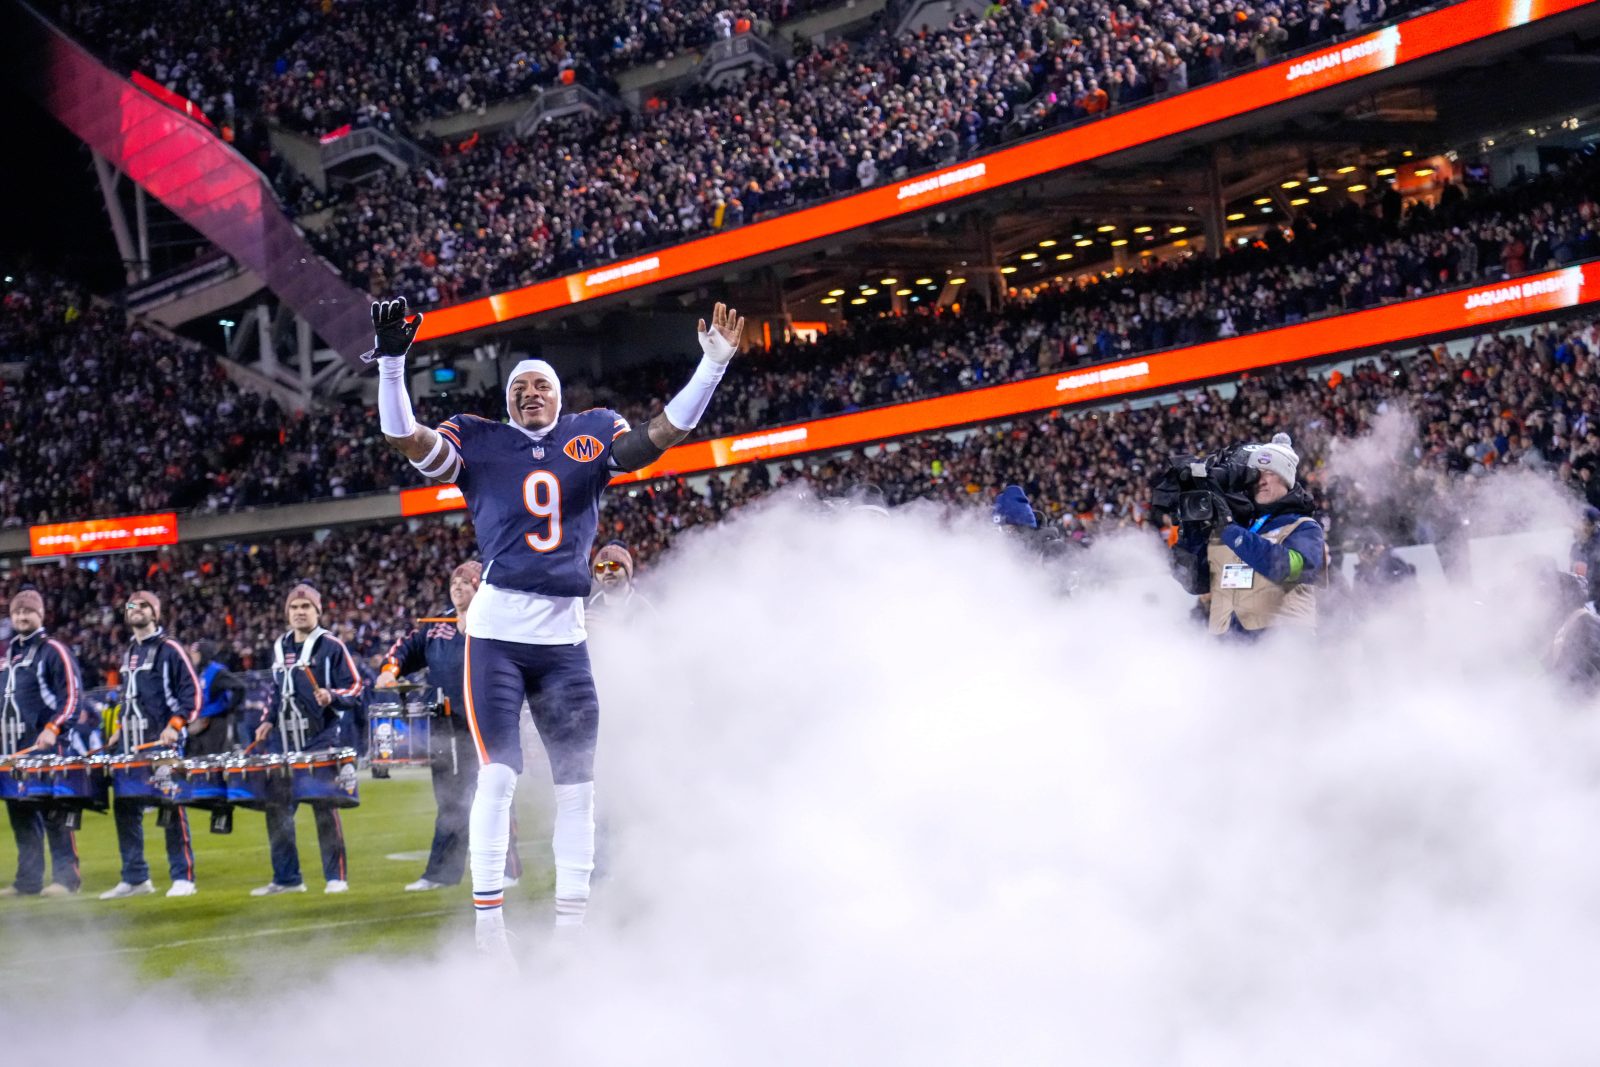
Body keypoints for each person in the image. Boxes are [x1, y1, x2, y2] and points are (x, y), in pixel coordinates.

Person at [370, 295, 744, 961]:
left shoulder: (590, 434)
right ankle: (490, 932)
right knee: (498, 775)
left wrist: (711, 367)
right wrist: (393, 367)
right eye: (520, 387)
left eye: (541, 384)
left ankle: (572, 931)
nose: (531, 392)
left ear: (560, 395)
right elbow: (408, 438)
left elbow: (656, 437)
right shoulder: (478, 439)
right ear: (507, 402)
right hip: (498, 633)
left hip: (565, 637)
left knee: (578, 786)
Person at [378, 560, 523, 891]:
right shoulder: (436, 626)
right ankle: (441, 873)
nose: (458, 586)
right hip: (445, 725)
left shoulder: (495, 619)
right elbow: (405, 649)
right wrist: (390, 670)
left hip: (488, 721)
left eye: (466, 582)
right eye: (454, 582)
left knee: (495, 794)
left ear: (479, 587)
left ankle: (507, 869)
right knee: (449, 800)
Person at [250, 584, 363, 896]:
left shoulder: (331, 646)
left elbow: (355, 687)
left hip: (320, 739)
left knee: (324, 807)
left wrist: (332, 695)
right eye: (294, 607)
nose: (299, 612)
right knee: (277, 812)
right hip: (283, 743)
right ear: (287, 613)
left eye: (306, 607)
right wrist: (267, 720)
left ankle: (336, 877)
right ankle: (287, 879)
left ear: (317, 611)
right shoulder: (280, 646)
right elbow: (276, 690)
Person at [1172, 434, 1326, 637]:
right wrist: (1192, 529)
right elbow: (1194, 582)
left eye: (1269, 472)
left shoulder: (1303, 527)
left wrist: (1232, 532)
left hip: (1283, 642)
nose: (1260, 480)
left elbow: (1290, 568)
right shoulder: (1235, 528)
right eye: (1255, 473)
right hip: (1228, 644)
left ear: (1286, 477)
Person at [101, 591, 201, 900]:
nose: (137, 609)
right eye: (132, 605)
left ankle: (183, 877)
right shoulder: (130, 651)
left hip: (163, 745)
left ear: (155, 613)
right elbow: (129, 699)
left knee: (171, 808)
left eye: (144, 605)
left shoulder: (170, 648)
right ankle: (135, 878)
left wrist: (175, 725)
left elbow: (192, 693)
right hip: (130, 747)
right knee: (125, 808)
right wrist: (119, 729)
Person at [1, 590, 83, 897]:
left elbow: (72, 696)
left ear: (41, 615)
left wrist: (53, 728)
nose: (22, 617)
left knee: (55, 815)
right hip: (12, 751)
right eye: (17, 612)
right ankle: (28, 882)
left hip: (47, 747)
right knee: (21, 817)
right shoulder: (8, 655)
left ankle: (66, 880)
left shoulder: (53, 650)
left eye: (28, 612)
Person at [187, 641, 244, 758]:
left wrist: (229, 709)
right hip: (198, 722)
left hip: (215, 722)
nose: (192, 656)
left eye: (195, 653)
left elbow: (239, 687)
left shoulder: (216, 671)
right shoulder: (196, 672)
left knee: (214, 757)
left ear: (203, 654)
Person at [584, 543, 657, 630]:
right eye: (600, 568)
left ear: (627, 570)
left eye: (613, 566)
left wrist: (612, 631)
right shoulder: (587, 605)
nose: (607, 572)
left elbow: (659, 637)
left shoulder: (643, 608)